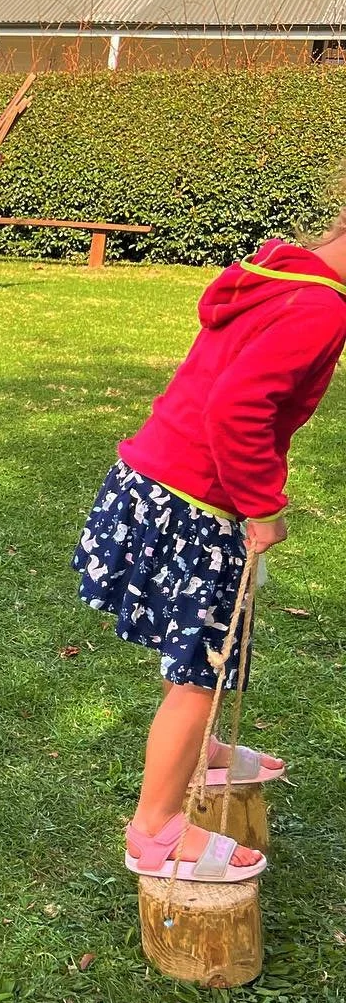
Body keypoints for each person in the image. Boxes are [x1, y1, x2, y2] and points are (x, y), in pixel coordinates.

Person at [74, 226, 346, 882]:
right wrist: (263, 505)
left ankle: (208, 749)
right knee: (201, 674)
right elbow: (237, 409)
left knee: (204, 655)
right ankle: (157, 834)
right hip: (192, 502)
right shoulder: (322, 307)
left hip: (157, 481)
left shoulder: (283, 274)